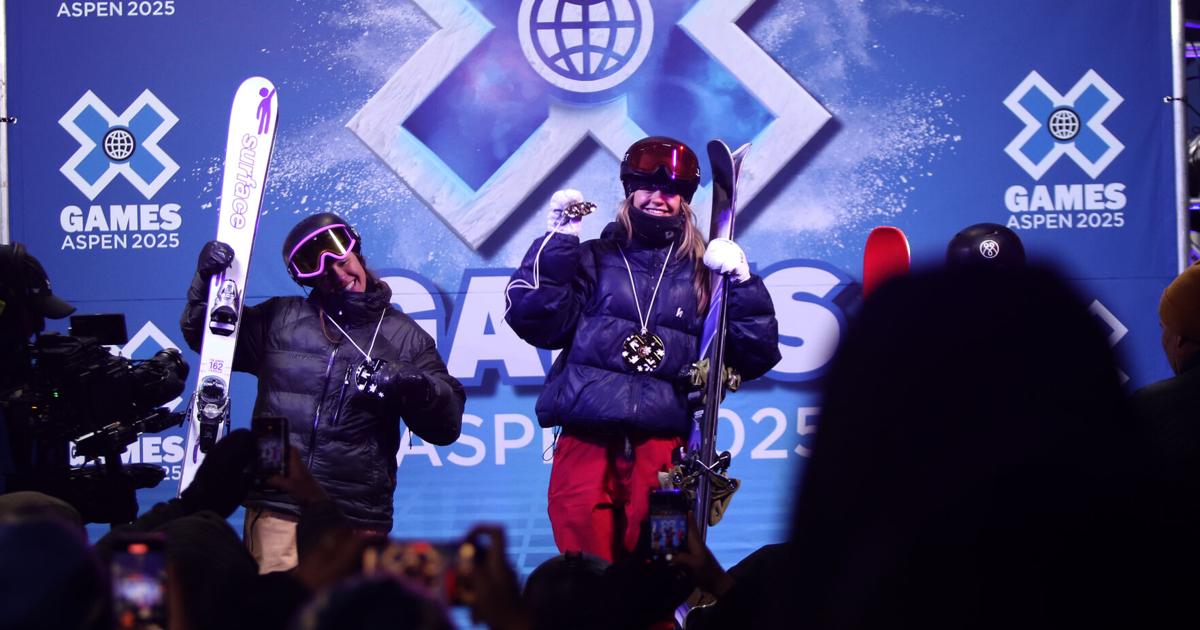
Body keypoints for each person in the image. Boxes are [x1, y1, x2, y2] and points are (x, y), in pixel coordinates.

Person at [504, 136, 780, 561]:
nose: (658, 198)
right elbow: (534, 320)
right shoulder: (592, 258)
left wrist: (741, 285)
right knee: (584, 565)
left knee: (666, 561)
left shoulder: (704, 272)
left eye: (670, 191)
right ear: (630, 191)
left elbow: (754, 355)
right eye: (647, 187)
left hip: (667, 452)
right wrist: (558, 244)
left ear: (684, 200)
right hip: (586, 442)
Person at [181, 213, 465, 572]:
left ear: (357, 252)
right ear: (307, 279)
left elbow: (447, 425)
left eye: (343, 262)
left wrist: (413, 383)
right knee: (273, 603)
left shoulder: (404, 337)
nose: (339, 275)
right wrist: (207, 282)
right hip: (277, 505)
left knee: (343, 606)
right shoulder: (279, 319)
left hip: (354, 516)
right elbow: (207, 337)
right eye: (323, 271)